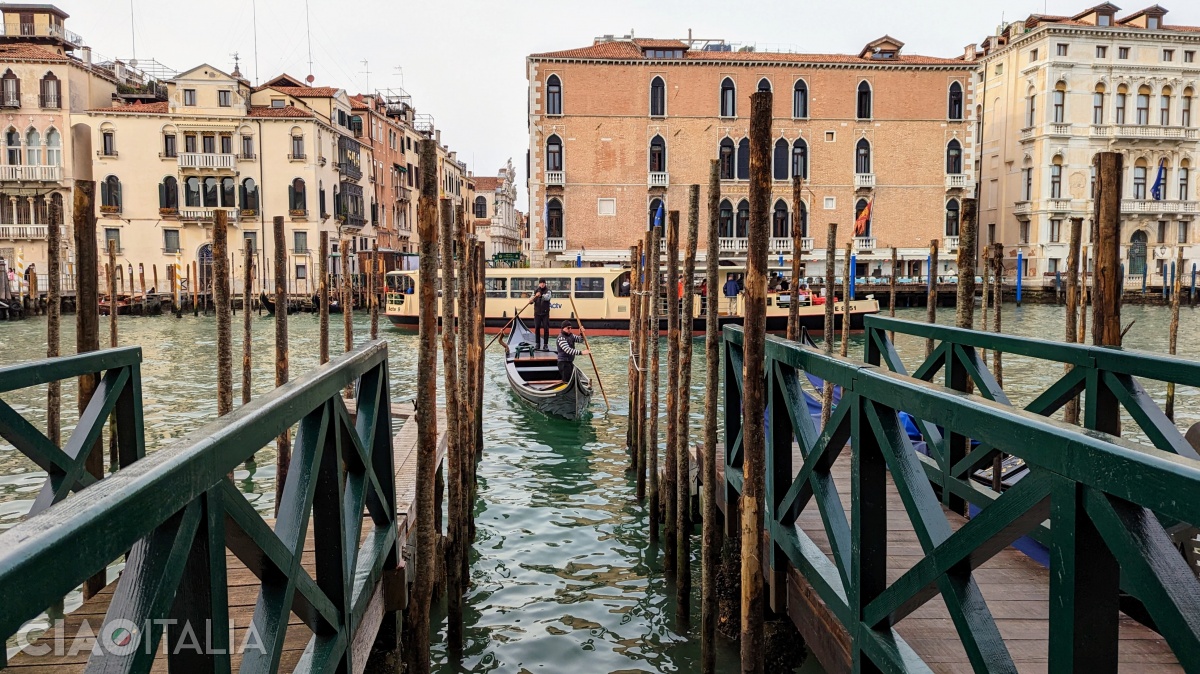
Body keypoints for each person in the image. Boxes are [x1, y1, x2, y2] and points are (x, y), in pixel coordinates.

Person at [528, 278, 552, 351]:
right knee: (537, 328)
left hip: (545, 314)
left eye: (543, 283)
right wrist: (532, 300)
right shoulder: (535, 291)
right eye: (541, 283)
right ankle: (537, 344)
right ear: (539, 284)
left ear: (545, 284)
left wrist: (540, 295)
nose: (542, 284)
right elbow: (531, 299)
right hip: (537, 313)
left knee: (546, 329)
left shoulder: (548, 291)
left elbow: (547, 298)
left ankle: (545, 345)